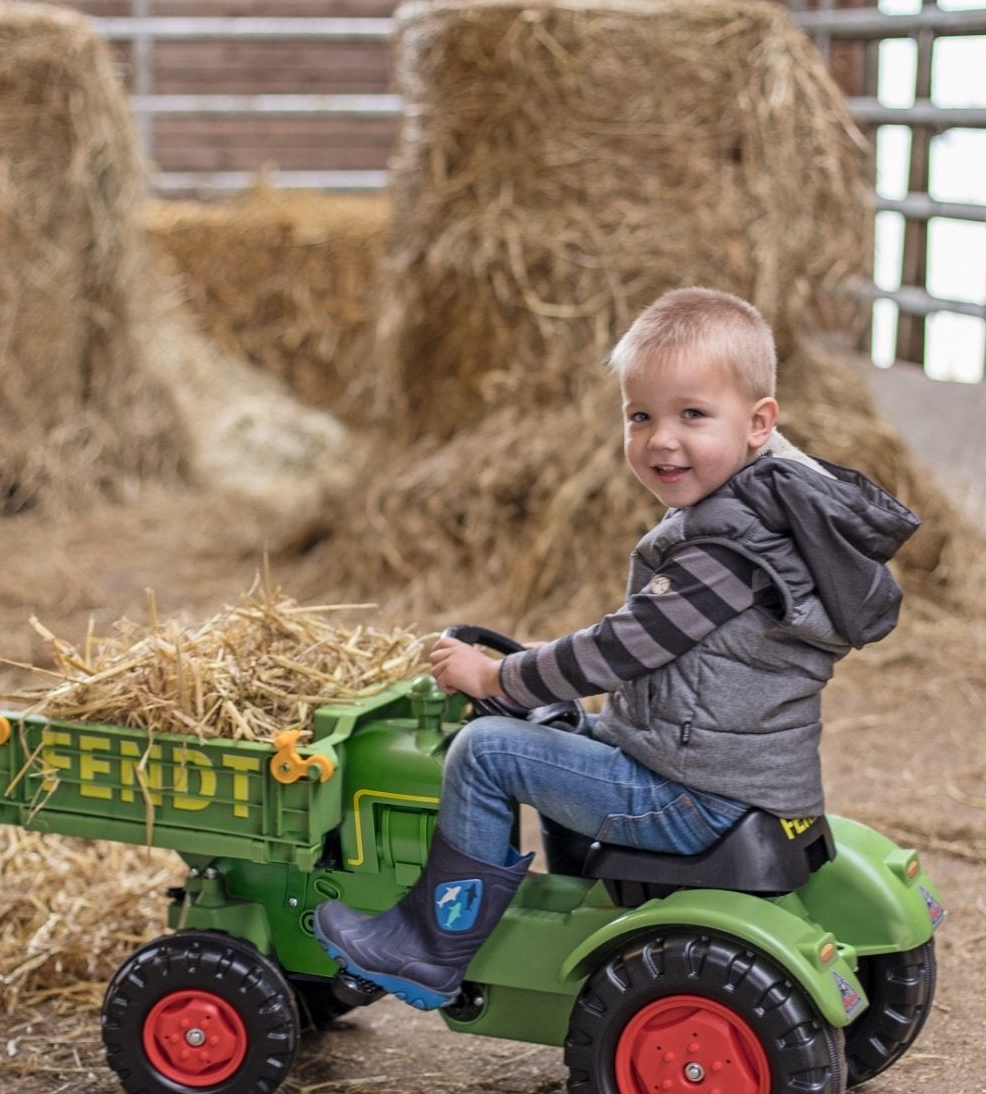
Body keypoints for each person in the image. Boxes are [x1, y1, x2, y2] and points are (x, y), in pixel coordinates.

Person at [313, 286, 920, 1010]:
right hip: (734, 773)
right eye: (641, 416)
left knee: (487, 753)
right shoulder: (775, 517)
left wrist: (500, 674)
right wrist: (542, 674)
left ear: (759, 423)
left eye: (692, 414)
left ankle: (427, 947)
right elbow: (658, 649)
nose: (662, 438)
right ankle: (574, 902)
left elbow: (619, 649)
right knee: (565, 722)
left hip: (692, 793)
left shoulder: (725, 548)